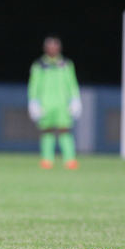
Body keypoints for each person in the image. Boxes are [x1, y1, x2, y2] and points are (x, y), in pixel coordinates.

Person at [28, 35, 82, 170]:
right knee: (47, 131)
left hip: (62, 104)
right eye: (50, 47)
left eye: (55, 46)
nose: (52, 49)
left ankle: (70, 160)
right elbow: (33, 85)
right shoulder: (39, 65)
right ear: (45, 48)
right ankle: (47, 160)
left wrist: (75, 99)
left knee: (65, 130)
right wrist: (33, 101)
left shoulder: (66, 64)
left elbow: (72, 83)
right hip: (46, 104)